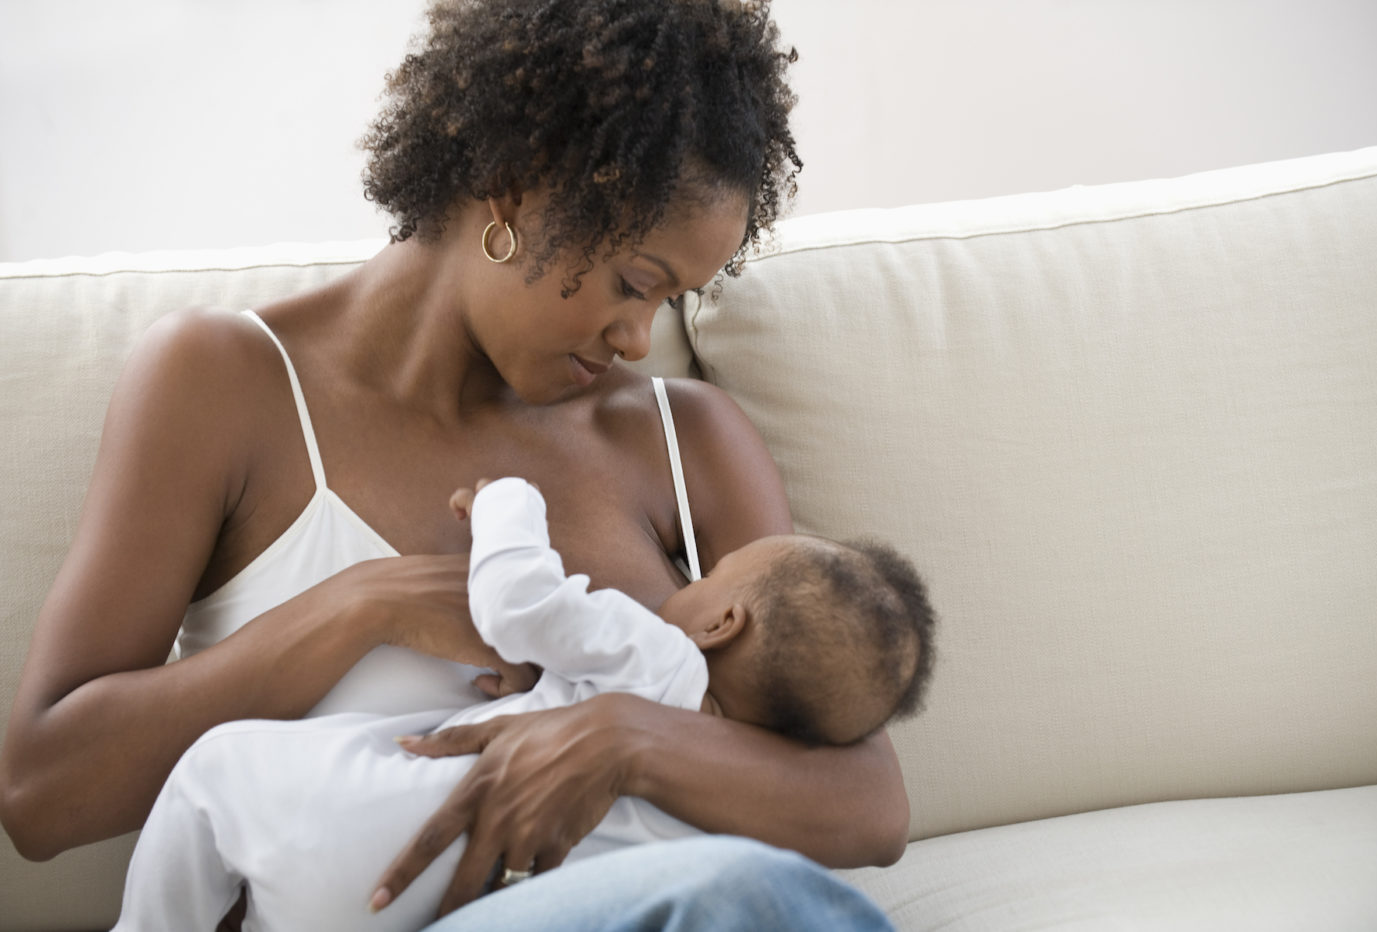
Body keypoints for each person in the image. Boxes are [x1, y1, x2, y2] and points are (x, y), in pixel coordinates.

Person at [0, 1, 915, 928]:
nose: (641, 338)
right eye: (635, 284)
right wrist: (362, 607)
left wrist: (622, 739)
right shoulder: (223, 382)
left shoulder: (689, 440)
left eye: (672, 298)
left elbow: (870, 806)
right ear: (515, 188)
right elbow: (41, 792)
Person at [114, 476, 937, 931]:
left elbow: (516, 602)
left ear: (721, 621)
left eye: (705, 577)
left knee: (215, 770)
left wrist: (511, 501)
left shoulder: (658, 652)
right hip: (442, 905)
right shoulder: (737, 802)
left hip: (343, 838)